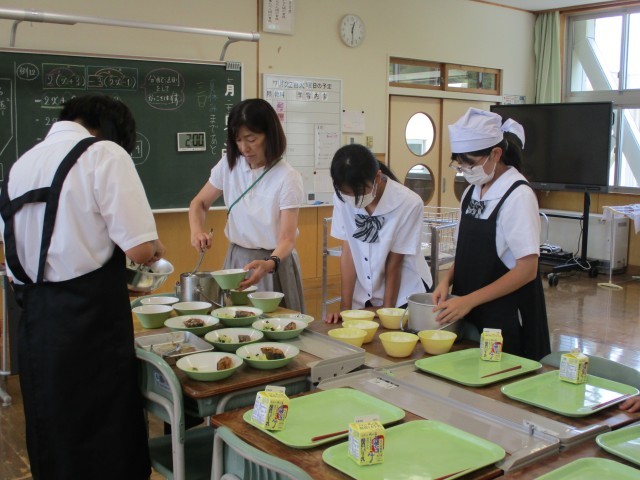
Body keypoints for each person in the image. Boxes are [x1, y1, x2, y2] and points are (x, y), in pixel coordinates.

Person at [0, 94, 164, 479]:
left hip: (36, 321)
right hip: (91, 327)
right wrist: (156, 247)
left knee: (53, 430)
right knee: (103, 438)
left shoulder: (21, 165)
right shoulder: (104, 153)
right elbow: (140, 249)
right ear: (109, 130)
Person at [432, 108, 551, 361]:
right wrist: (446, 281)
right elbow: (467, 254)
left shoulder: (518, 196)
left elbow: (527, 270)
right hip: (470, 310)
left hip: (505, 317)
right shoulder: (472, 192)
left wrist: (469, 301)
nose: (465, 170)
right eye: (460, 163)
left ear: (495, 154)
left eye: (470, 163)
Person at [189, 98, 305, 312]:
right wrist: (196, 231)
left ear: (270, 135)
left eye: (251, 139)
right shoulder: (229, 165)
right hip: (238, 259)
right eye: (238, 140)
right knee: (233, 321)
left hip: (274, 263)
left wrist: (270, 263)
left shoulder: (287, 177)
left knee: (274, 324)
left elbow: (287, 239)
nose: (244, 148)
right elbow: (200, 203)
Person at [325, 144, 432, 323]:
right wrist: (345, 308)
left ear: (377, 177)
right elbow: (349, 253)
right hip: (365, 295)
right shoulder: (342, 198)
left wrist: (387, 311)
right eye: (346, 193)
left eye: (359, 192)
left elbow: (395, 262)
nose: (354, 199)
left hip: (403, 294)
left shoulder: (409, 203)